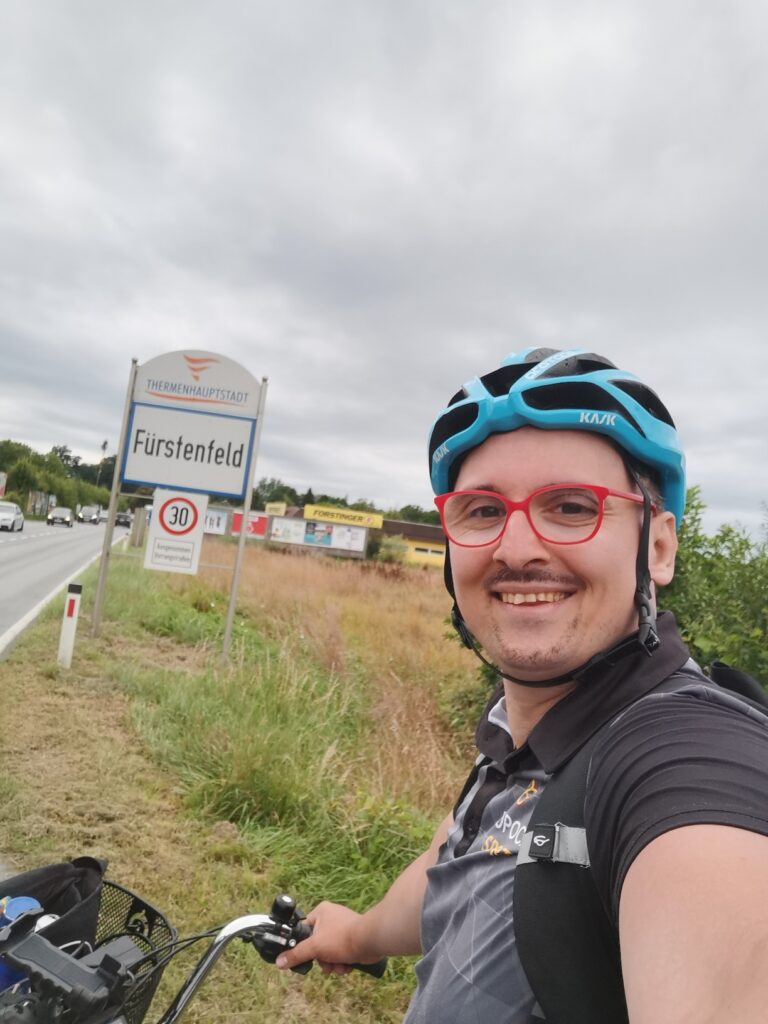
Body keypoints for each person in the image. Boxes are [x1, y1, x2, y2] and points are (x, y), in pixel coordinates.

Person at [277, 348, 768, 1023]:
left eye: (571, 507)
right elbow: (462, 854)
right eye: (482, 511)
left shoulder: (685, 757)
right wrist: (358, 934)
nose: (514, 549)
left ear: (658, 548)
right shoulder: (517, 729)